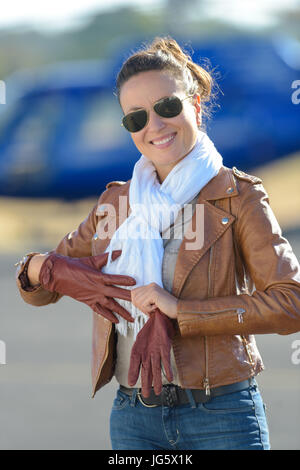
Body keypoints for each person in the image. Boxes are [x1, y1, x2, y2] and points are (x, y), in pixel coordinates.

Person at [16, 36, 300, 451]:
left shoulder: (238, 197)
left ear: (196, 107)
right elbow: (39, 292)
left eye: (167, 107)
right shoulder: (115, 203)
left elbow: (290, 303)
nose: (154, 126)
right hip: (134, 416)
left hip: (221, 415)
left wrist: (181, 311)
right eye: (136, 118)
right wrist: (41, 267)